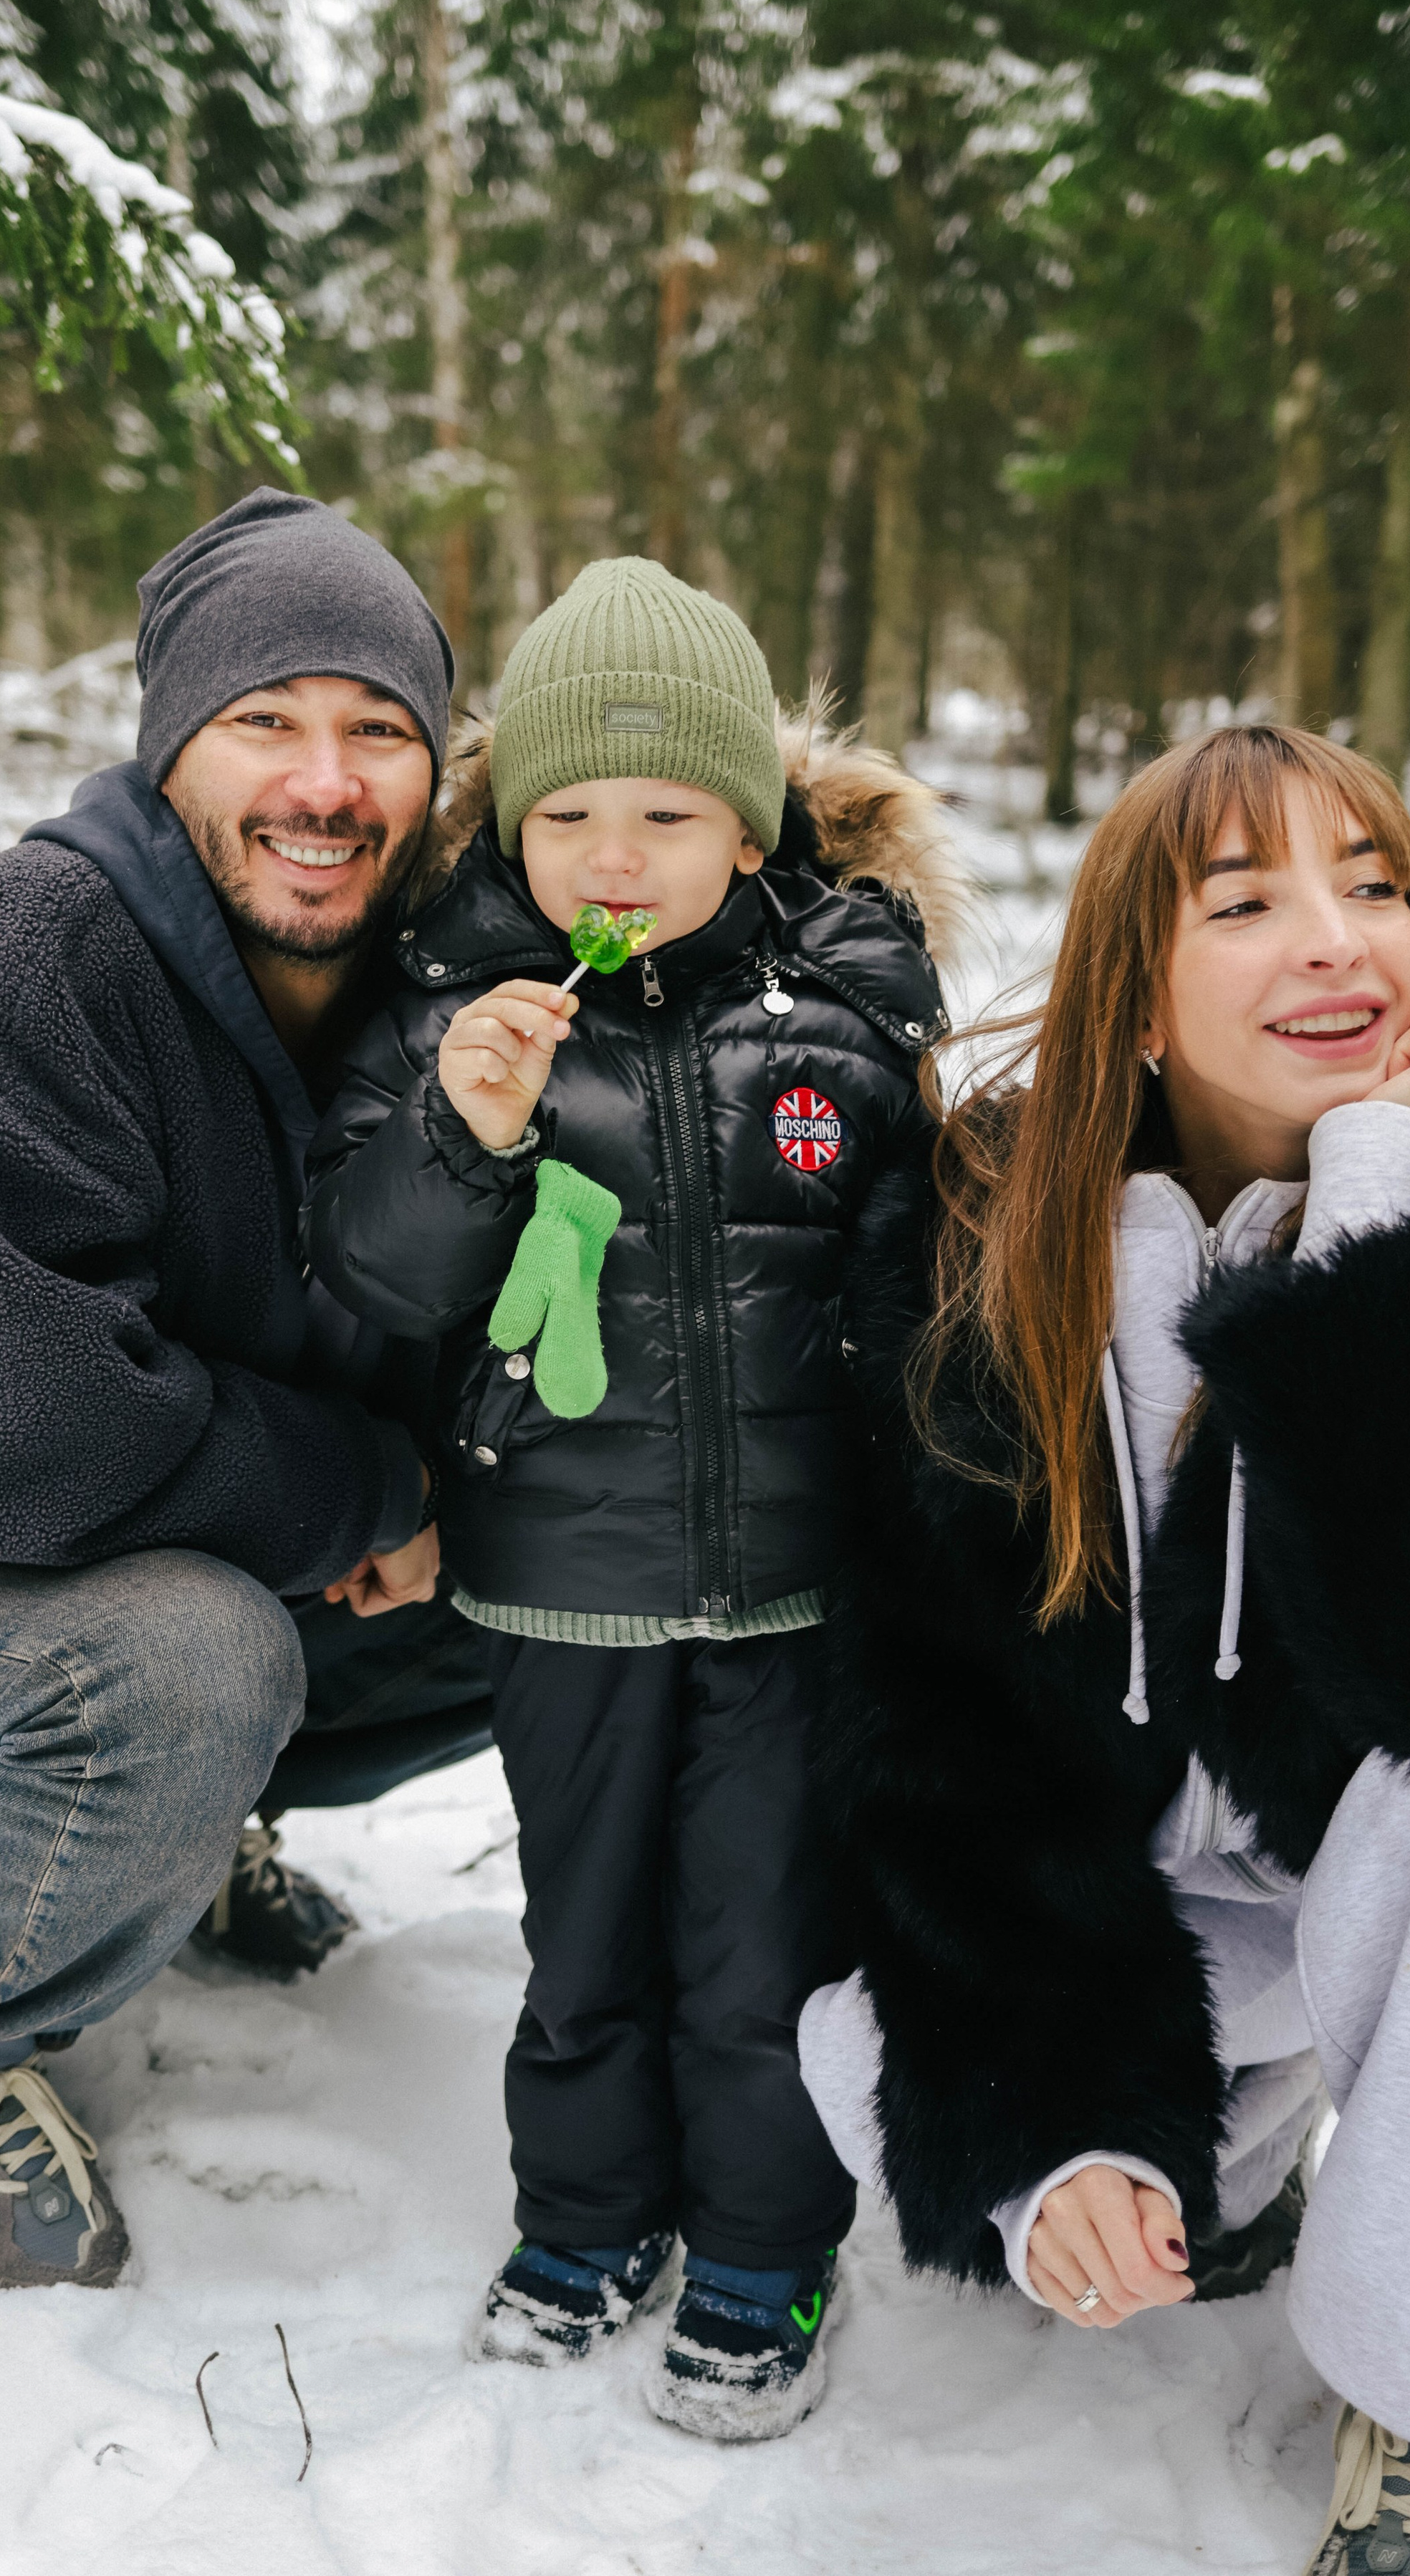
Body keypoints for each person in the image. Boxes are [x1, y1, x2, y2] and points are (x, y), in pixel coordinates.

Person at [797, 719, 1410, 2576]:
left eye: (1377, 885)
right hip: (1136, 1923)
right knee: (864, 2055)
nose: (1337, 939)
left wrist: (1392, 1198)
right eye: (1245, 904)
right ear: (1141, 1001)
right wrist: (1057, 2132)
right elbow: (937, 1736)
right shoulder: (972, 1240)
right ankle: (1225, 2166)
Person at [0, 489, 494, 2290]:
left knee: (568, 1555)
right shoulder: (39, 946)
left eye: (378, 730)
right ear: (171, 741)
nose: (323, 783)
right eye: (265, 719)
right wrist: (367, 1492)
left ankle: (163, 1837)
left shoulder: (429, 993)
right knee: (192, 1661)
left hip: (128, 1540)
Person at [304, 557, 965, 2439]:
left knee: (763, 1942)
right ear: (510, 828)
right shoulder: (447, 1009)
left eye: (666, 816)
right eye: (569, 815)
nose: (612, 855)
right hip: (558, 1580)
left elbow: (917, 1280)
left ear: (746, 827)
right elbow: (374, 1275)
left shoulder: (841, 1016)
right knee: (582, 1934)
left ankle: (763, 2249)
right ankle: (586, 2217)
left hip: (793, 1592)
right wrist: (465, 1133)